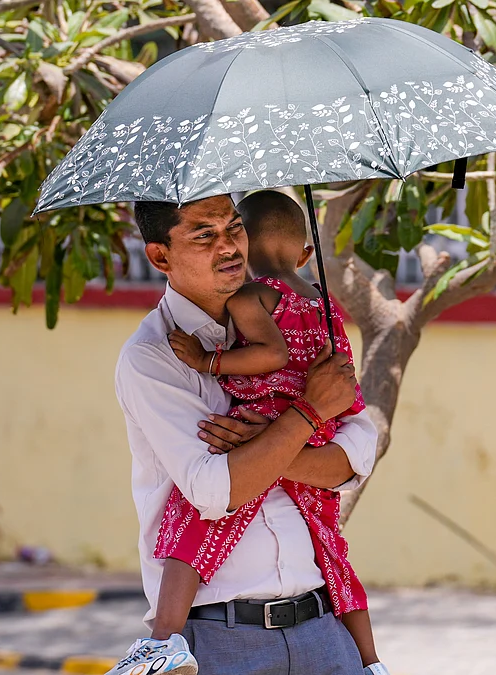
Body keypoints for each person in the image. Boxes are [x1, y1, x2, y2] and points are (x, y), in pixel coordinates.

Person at [109, 195, 380, 675]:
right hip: (221, 639)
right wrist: (308, 417)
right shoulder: (153, 356)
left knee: (336, 552)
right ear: (159, 256)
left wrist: (270, 443)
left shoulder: (281, 307)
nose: (229, 246)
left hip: (322, 626)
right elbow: (216, 491)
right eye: (204, 236)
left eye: (234, 228)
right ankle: (162, 645)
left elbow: (355, 453)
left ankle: (369, 663)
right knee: (196, 523)